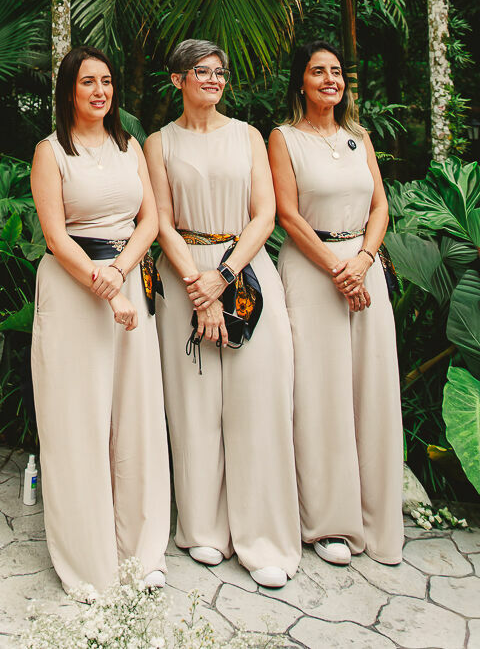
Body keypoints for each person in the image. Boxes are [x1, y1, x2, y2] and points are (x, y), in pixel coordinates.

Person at [143, 39, 300, 590]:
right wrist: (197, 289)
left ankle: (263, 537)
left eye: (219, 73)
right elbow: (160, 218)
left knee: (259, 404)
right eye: (200, 72)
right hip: (182, 274)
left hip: (246, 272)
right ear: (177, 80)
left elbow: (266, 214)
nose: (212, 80)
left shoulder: (250, 136)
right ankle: (203, 528)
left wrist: (222, 279)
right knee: (194, 406)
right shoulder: (158, 143)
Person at [30, 46, 170, 597]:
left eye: (107, 81)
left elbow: (151, 218)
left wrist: (120, 273)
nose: (99, 91)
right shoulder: (50, 152)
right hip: (73, 290)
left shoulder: (128, 145)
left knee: (136, 417)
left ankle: (142, 549)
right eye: (87, 82)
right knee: (77, 422)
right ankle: (87, 559)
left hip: (127, 278)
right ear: (69, 91)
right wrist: (102, 283)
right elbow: (56, 236)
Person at [268, 40, 404, 567]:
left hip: (365, 270)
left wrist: (364, 260)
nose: (330, 79)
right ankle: (327, 522)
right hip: (312, 269)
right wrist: (337, 269)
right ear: (300, 81)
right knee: (320, 393)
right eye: (318, 71)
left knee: (370, 388)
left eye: (337, 71)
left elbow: (380, 205)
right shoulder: (283, 139)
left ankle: (375, 515)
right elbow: (287, 214)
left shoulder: (358, 137)